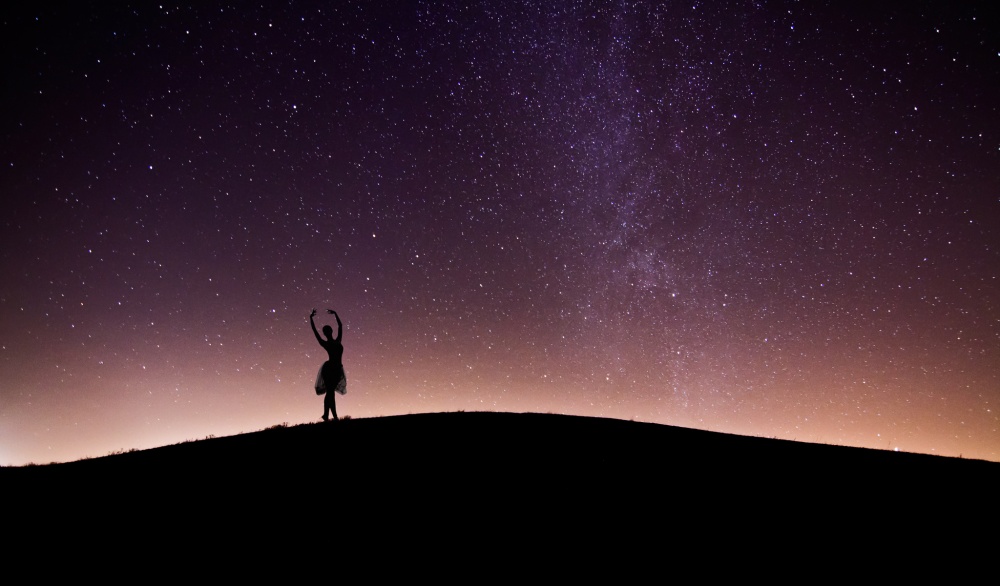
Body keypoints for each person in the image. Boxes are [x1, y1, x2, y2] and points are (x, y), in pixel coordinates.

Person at [310, 308, 346, 421]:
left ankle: (326, 415)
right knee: (330, 392)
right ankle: (333, 416)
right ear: (325, 333)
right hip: (329, 369)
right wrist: (311, 318)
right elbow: (314, 331)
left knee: (330, 393)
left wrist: (335, 313)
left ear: (331, 331)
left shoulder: (338, 340)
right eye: (326, 331)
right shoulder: (325, 343)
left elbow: (340, 326)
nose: (328, 332)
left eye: (328, 330)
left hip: (337, 368)